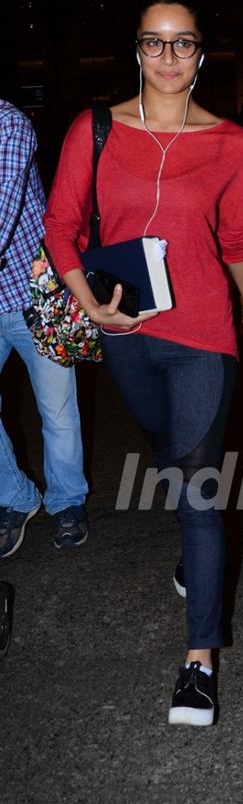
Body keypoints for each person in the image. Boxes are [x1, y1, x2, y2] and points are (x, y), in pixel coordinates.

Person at [44, 0, 243, 726]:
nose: (168, 57)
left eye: (182, 43)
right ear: (136, 51)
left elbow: (236, 236)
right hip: (125, 329)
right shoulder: (96, 129)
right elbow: (62, 225)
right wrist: (90, 304)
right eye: (154, 42)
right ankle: (193, 558)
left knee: (199, 490)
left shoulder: (232, 143)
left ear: (201, 54)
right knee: (172, 461)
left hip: (205, 331)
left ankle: (199, 661)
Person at [0, 99, 89, 559]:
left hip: (36, 293)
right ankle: (16, 496)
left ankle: (67, 503)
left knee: (56, 412)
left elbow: (3, 208)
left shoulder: (9, 123)